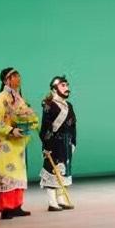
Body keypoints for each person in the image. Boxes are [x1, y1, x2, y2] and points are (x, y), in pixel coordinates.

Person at [0, 67, 36, 218]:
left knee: (19, 174)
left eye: (19, 76)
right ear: (6, 80)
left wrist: (30, 122)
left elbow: (25, 115)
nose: (18, 79)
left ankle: (17, 205)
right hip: (7, 142)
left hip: (18, 142)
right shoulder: (0, 98)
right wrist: (11, 130)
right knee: (7, 173)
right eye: (15, 76)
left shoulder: (19, 98)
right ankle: (6, 208)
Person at [40, 75, 77, 211]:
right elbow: (46, 127)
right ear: (54, 89)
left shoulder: (69, 105)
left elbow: (73, 126)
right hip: (53, 143)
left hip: (66, 144)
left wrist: (73, 142)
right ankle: (52, 202)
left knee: (64, 171)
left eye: (67, 85)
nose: (67, 88)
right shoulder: (49, 105)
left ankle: (61, 199)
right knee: (52, 170)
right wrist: (47, 145)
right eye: (63, 85)